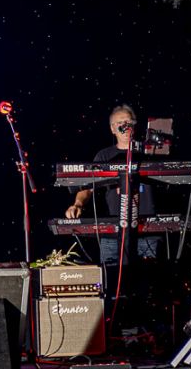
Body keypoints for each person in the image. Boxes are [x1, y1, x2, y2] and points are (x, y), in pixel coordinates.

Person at [64, 103, 162, 267]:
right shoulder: (104, 155)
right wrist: (77, 204)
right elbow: (88, 187)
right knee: (111, 278)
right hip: (112, 233)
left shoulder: (149, 152)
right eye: (120, 123)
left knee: (147, 280)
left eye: (129, 122)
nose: (125, 126)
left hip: (147, 230)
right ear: (112, 129)